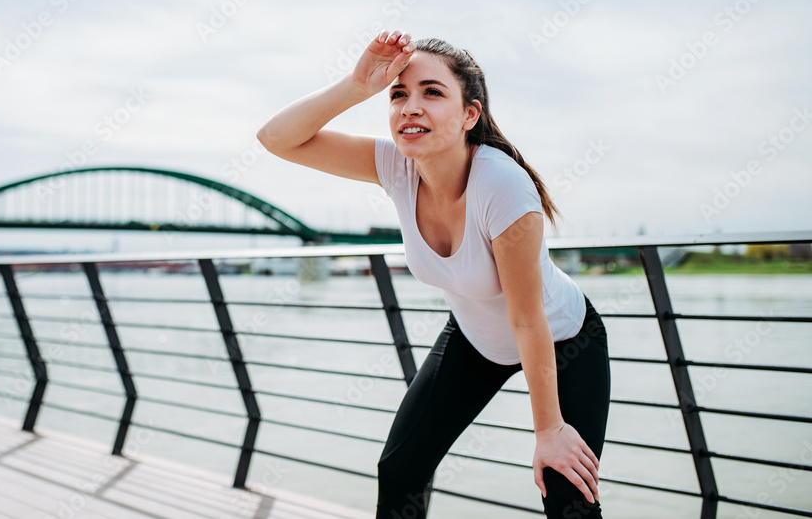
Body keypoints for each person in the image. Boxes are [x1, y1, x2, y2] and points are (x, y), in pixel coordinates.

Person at [256, 30, 611, 518]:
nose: (410, 106)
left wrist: (548, 431)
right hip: (474, 338)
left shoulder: (503, 187)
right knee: (401, 469)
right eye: (399, 94)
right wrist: (357, 85)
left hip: (562, 340)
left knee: (567, 494)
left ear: (470, 114)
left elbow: (528, 320)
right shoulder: (397, 166)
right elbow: (275, 139)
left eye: (432, 92)